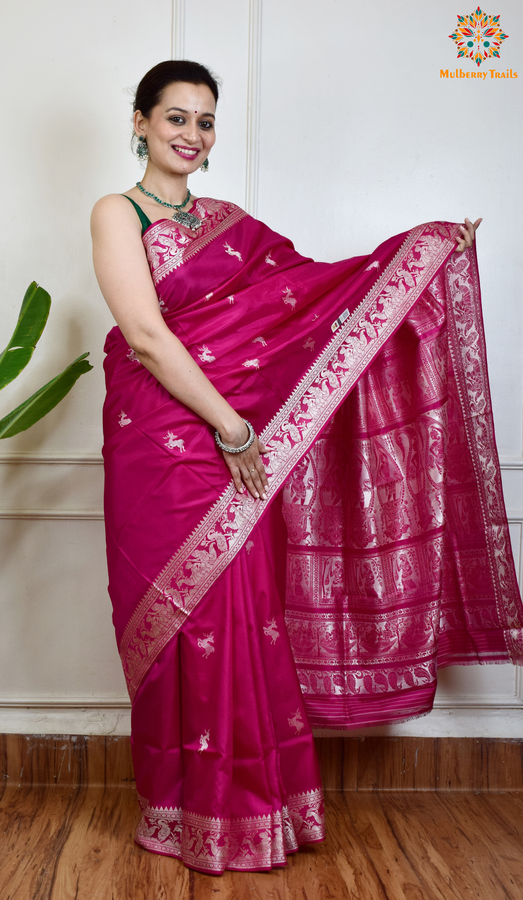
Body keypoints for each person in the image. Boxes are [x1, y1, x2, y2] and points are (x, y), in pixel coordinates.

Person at [91, 60, 522, 874]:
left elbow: (316, 296)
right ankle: (179, 808)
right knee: (178, 622)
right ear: (141, 122)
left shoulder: (232, 225)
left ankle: (248, 812)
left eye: (205, 121)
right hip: (160, 444)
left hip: (230, 448)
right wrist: (231, 428)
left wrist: (418, 254)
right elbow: (146, 336)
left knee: (238, 615)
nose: (191, 134)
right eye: (176, 117)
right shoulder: (116, 213)